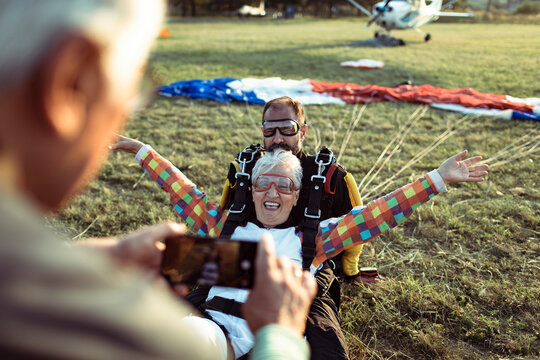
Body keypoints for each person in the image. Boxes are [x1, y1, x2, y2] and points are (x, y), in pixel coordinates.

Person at [0, 0, 317, 359]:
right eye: (132, 85)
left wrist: (92, 260)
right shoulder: (142, 342)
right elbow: (186, 194)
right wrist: (282, 337)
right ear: (67, 79)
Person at [112, 136, 488, 359]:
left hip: (272, 340)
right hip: (213, 332)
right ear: (252, 188)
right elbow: (181, 189)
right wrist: (140, 150)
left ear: (296, 196)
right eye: (263, 184)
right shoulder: (226, 224)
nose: (272, 192)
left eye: (284, 186)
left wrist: (438, 178)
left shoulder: (316, 237)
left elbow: (376, 215)